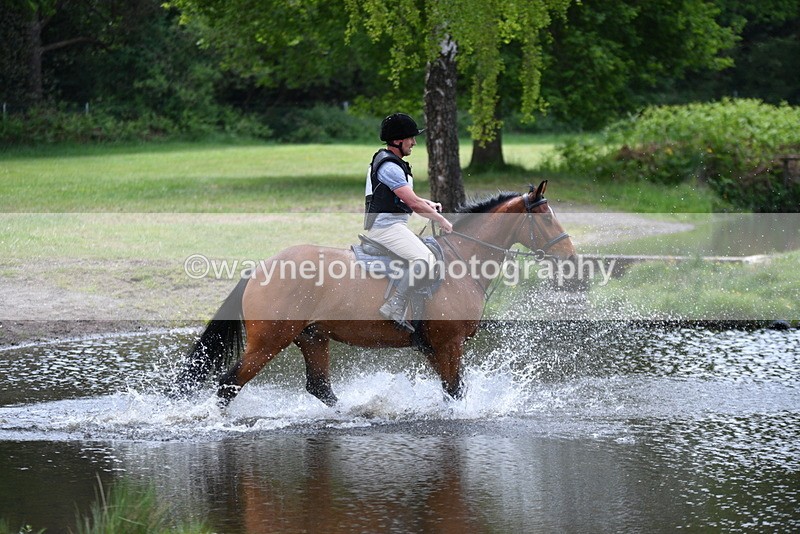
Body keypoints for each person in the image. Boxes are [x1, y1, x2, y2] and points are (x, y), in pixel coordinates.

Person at [364, 113, 453, 333]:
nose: (414, 142)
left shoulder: (392, 163)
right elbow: (412, 203)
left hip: (394, 225)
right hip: (386, 228)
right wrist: (441, 220)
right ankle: (394, 305)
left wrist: (428, 202)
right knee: (425, 258)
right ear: (397, 140)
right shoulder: (390, 167)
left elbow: (406, 197)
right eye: (410, 138)